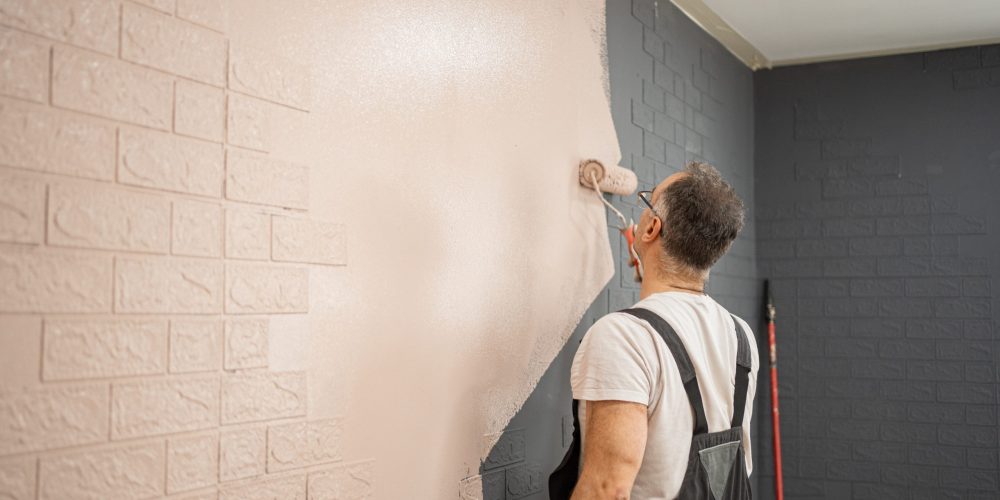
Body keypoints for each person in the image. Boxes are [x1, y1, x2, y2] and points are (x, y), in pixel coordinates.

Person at [569, 162, 759, 499]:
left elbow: (606, 490)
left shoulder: (623, 338)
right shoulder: (740, 335)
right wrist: (652, 267)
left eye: (647, 201)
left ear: (651, 228)